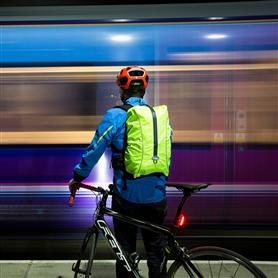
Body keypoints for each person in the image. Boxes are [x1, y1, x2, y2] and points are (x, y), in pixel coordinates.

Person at [69, 66, 171, 278]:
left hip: (127, 196)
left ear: (122, 90)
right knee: (155, 252)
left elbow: (95, 149)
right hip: (157, 196)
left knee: (125, 252)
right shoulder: (159, 118)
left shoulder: (115, 115)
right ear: (144, 90)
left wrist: (78, 176)